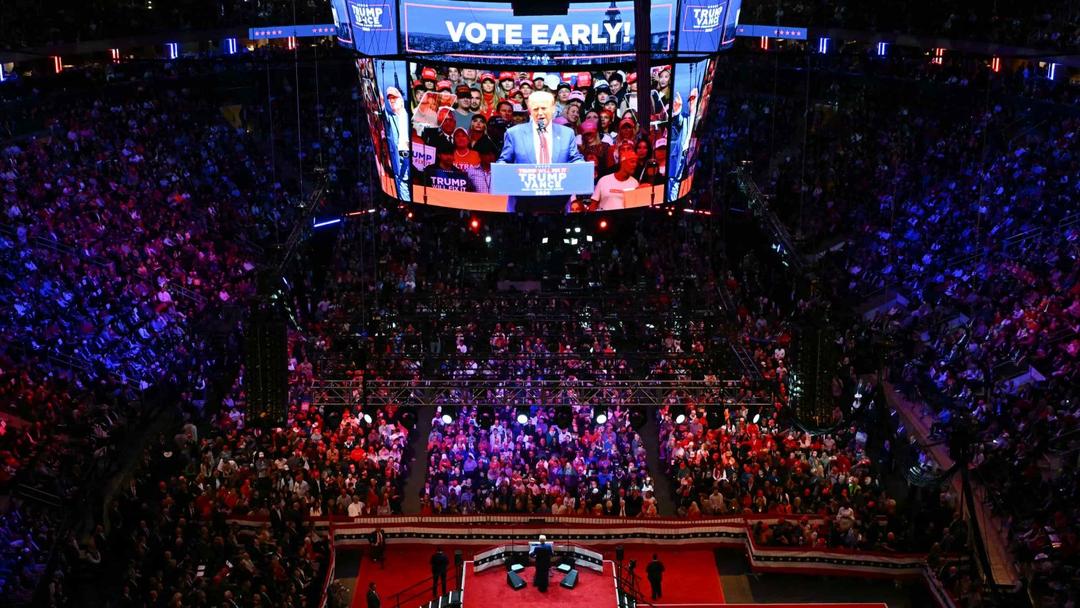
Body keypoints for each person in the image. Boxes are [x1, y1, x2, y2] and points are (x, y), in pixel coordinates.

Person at [496, 90, 586, 212]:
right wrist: (502, 170)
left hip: (558, 204)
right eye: (535, 109)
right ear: (529, 110)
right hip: (523, 205)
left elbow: (575, 159)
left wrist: (581, 167)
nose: (540, 113)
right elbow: (504, 162)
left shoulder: (567, 133)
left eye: (544, 108)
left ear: (553, 108)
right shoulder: (514, 133)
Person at [592, 145, 639, 210]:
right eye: (632, 162)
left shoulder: (635, 183)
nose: (635, 165)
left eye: (636, 162)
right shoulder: (604, 180)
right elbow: (593, 205)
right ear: (623, 162)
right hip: (605, 218)